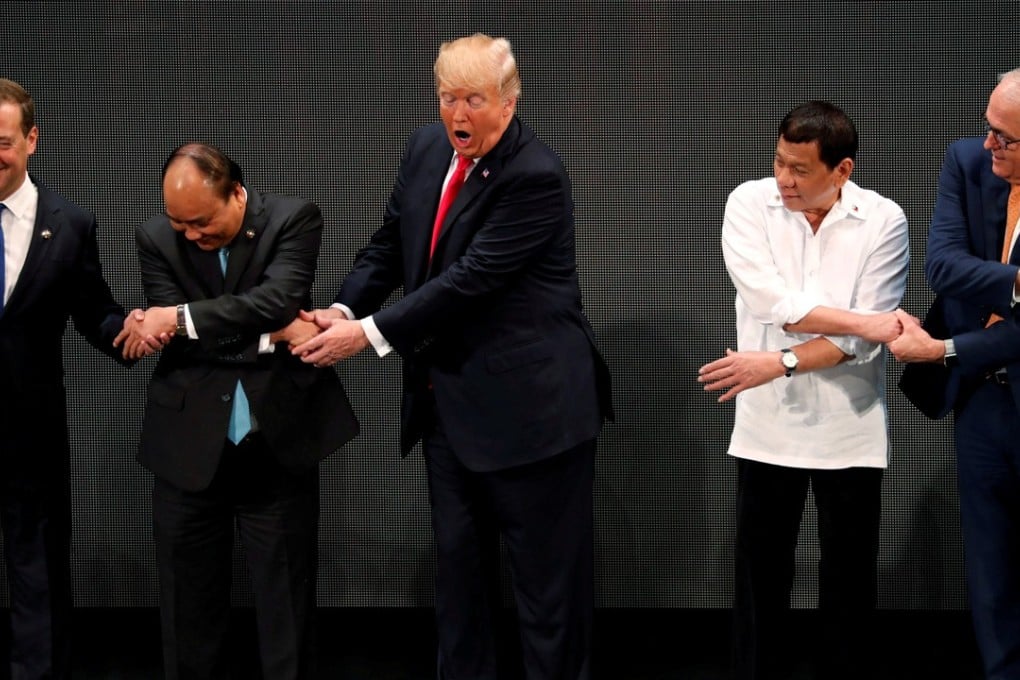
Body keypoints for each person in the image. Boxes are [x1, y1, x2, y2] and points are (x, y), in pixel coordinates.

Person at [291, 33, 612, 680]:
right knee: (459, 589)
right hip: (449, 410)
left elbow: (469, 280)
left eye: (473, 99)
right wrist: (346, 308)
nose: (457, 115)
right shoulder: (426, 146)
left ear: (509, 101)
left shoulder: (536, 177)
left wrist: (370, 334)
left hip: (535, 418)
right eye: (446, 98)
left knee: (547, 600)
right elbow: (390, 242)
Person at [113, 142, 359, 680]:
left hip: (277, 446)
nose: (191, 236)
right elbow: (184, 339)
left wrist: (178, 318)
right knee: (187, 614)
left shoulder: (293, 219)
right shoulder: (155, 237)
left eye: (202, 223)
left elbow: (273, 299)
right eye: (180, 225)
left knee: (287, 614)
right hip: (188, 449)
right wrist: (275, 334)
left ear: (237, 194)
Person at [697, 100, 909, 680]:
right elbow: (773, 304)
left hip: (851, 428)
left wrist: (781, 361)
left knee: (848, 580)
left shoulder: (884, 220)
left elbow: (862, 347)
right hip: (767, 428)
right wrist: (864, 320)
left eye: (801, 170)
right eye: (779, 162)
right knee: (760, 579)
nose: (784, 180)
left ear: (841, 171)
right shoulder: (750, 202)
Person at [0, 77, 157, 679]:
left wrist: (138, 330)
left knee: (37, 566)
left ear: (32, 139)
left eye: (4, 140)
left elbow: (96, 313)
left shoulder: (69, 224)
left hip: (30, 432)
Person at [889, 67, 1020, 680]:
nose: (989, 144)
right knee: (990, 574)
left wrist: (944, 349)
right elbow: (943, 265)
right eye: (989, 129)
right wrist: (1018, 283)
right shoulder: (967, 163)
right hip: (981, 405)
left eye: (1006, 138)